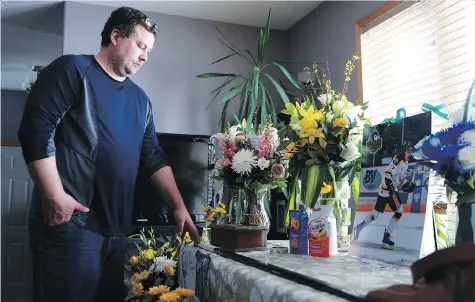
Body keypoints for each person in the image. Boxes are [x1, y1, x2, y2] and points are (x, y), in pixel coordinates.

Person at [17, 6, 200, 302]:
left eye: (149, 51)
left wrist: (179, 206)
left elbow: (153, 156)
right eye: (141, 46)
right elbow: (35, 130)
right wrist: (53, 195)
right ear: (115, 36)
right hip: (71, 228)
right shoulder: (72, 70)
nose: (145, 56)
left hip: (118, 233)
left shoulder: (140, 100)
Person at [353, 141, 415, 250]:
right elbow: (388, 173)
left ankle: (358, 228)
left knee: (375, 214)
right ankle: (386, 238)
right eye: (408, 152)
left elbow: (402, 178)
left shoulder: (405, 162)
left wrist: (407, 185)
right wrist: (391, 186)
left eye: (410, 152)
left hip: (383, 190)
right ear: (403, 151)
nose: (409, 154)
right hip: (388, 191)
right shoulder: (398, 160)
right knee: (399, 212)